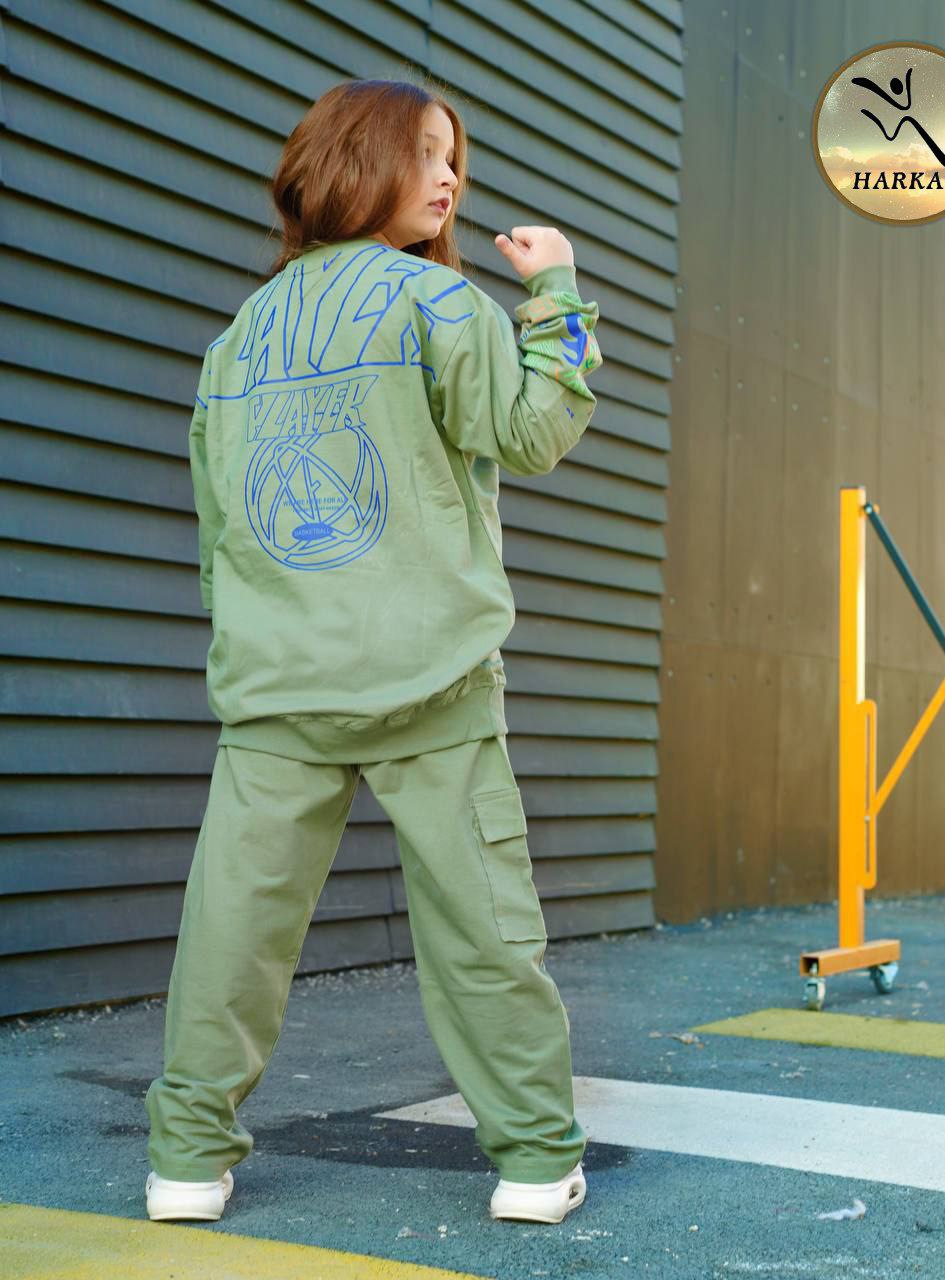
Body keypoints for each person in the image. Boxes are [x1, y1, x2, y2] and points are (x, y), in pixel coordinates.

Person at [143, 77, 603, 1228]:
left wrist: (248, 648)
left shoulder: (236, 340)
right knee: (480, 927)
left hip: (276, 685)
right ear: (362, 159)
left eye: (453, 159)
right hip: (431, 678)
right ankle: (534, 1160)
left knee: (232, 931)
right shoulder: (439, 306)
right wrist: (555, 291)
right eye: (427, 153)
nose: (449, 179)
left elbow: (220, 531)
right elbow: (533, 431)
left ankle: (185, 1162)